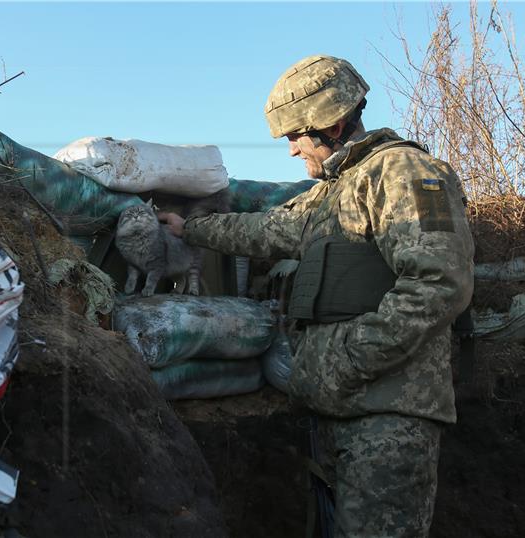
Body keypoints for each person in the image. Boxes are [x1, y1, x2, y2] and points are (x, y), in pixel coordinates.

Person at [159, 55, 474, 537]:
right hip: (339, 407)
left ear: (333, 123)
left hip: (387, 417)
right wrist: (192, 228)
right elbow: (267, 229)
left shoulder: (408, 173)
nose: (290, 151)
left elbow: (439, 283)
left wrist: (351, 359)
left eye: (294, 137)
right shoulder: (333, 191)